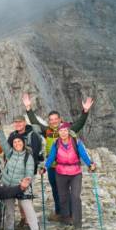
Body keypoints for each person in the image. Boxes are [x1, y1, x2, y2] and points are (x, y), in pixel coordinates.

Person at [23, 93, 93, 221]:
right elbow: (35, 122)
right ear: (49, 121)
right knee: (56, 190)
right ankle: (60, 212)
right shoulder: (47, 131)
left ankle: (71, 214)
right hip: (52, 166)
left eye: (56, 119)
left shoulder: (67, 129)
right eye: (51, 119)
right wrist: (28, 108)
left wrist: (85, 111)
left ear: (60, 119)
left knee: (67, 191)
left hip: (66, 166)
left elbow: (80, 123)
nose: (54, 121)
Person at [39, 122, 95, 230]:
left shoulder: (76, 142)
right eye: (61, 131)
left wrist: (90, 164)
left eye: (65, 130)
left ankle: (77, 225)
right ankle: (65, 219)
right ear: (58, 132)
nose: (63, 133)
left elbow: (83, 154)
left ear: (68, 131)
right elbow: (51, 157)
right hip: (60, 173)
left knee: (75, 197)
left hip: (75, 173)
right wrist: (45, 167)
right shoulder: (56, 143)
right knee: (63, 197)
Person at [0, 130, 42, 230]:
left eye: (19, 141)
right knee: (9, 211)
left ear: (23, 142)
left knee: (29, 209)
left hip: (22, 186)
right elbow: (2, 141)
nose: (17, 144)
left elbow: (30, 172)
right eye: (15, 142)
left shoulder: (28, 157)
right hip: (8, 186)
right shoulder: (10, 153)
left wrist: (26, 181)